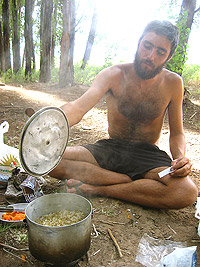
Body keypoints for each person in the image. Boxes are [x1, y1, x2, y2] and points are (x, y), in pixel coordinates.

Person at [49, 20, 198, 209]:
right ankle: (127, 181)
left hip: (148, 156)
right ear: (139, 43)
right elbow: (77, 108)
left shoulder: (173, 83)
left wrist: (179, 157)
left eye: (160, 52)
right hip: (109, 149)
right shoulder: (113, 74)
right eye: (147, 46)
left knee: (186, 192)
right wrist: (50, 124)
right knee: (49, 160)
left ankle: (98, 188)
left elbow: (177, 133)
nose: (150, 56)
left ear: (169, 56)